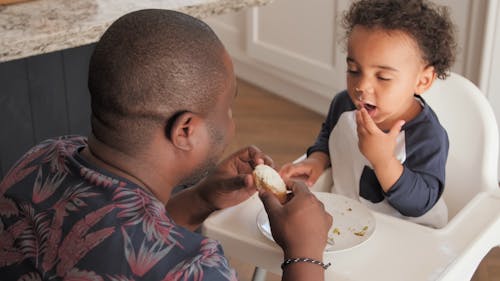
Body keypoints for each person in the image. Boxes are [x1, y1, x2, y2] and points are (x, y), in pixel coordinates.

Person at [0, 9, 332, 281]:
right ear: (185, 130)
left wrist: (202, 199)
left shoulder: (40, 160)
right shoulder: (193, 269)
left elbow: (120, 232)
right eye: (227, 109)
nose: (231, 124)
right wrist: (305, 253)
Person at [280, 0, 457, 228]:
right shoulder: (344, 104)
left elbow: (419, 204)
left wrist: (383, 161)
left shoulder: (428, 136)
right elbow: (330, 137)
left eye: (382, 77)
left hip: (409, 234)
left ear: (422, 80)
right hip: (345, 220)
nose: (361, 86)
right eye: (354, 70)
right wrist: (318, 159)